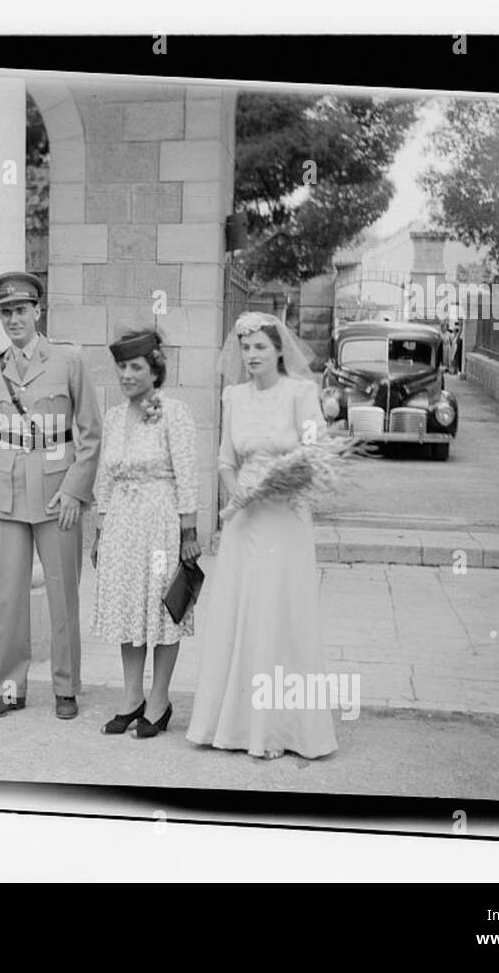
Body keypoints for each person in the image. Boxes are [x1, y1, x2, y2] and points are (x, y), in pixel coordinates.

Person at [186, 311, 338, 760]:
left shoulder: (300, 394)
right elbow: (225, 460)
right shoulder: (233, 397)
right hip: (244, 520)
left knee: (279, 611)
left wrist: (280, 483)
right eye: (245, 347)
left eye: (259, 347)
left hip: (286, 517)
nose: (251, 355)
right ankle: (233, 724)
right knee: (242, 610)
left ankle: (278, 729)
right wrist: (238, 493)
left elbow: (316, 453)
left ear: (278, 351)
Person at [0, 271, 103, 721]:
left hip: (56, 492)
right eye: (6, 312)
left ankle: (65, 687)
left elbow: (90, 432)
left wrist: (74, 491)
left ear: (38, 312)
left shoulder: (68, 360)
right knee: (11, 597)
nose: (14, 319)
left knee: (63, 594)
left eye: (21, 310)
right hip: (7, 491)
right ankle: (9, 689)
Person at [91, 328, 200, 738]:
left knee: (162, 606)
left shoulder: (174, 413)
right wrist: (100, 530)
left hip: (159, 525)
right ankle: (131, 697)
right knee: (127, 607)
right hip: (122, 525)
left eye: (136, 367)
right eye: (121, 367)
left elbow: (187, 473)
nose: (127, 375)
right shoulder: (114, 417)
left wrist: (189, 532)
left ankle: (159, 700)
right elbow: (105, 477)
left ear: (155, 371)